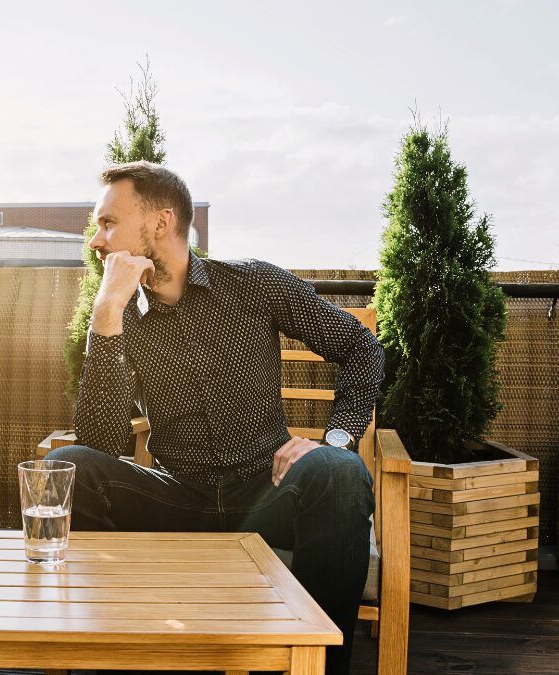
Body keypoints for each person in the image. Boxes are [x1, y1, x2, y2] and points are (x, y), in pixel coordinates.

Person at [46, 161, 382, 675]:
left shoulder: (252, 284)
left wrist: (335, 439)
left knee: (338, 470)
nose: (95, 240)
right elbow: (102, 441)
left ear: (160, 223)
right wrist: (106, 313)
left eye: (108, 222)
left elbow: (362, 347)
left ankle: (315, 666)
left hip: (267, 494)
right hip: (178, 499)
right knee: (67, 465)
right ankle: (107, 658)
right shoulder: (120, 316)